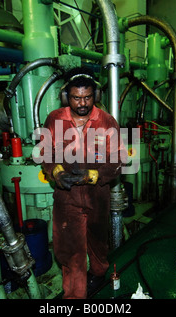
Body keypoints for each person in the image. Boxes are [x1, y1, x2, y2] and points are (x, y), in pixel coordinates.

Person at [39, 67, 125, 299]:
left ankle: (98, 272)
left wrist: (92, 175)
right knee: (72, 253)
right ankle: (75, 297)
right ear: (67, 96)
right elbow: (44, 152)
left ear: (95, 95)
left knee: (98, 243)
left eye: (87, 97)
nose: (82, 103)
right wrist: (56, 172)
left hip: (98, 197)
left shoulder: (107, 122)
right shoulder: (54, 119)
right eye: (76, 98)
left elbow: (118, 160)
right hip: (67, 199)